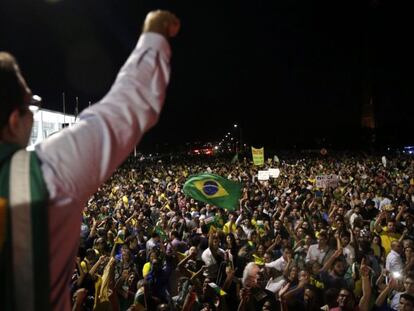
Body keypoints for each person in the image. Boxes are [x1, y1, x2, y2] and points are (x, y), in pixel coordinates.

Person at [0, 10, 180, 311]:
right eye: (30, 104)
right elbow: (128, 105)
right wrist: (154, 33)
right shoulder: (47, 172)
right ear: (15, 119)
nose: (33, 113)